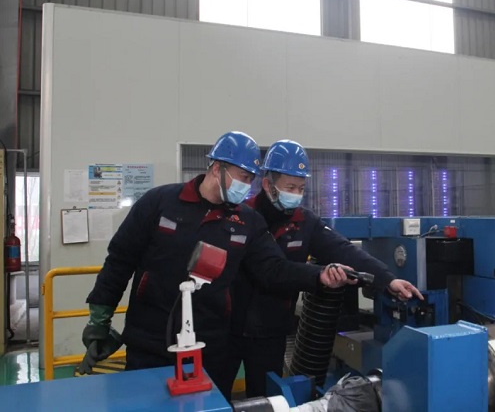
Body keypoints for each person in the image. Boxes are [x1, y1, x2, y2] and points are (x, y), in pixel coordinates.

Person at [79, 131, 355, 399]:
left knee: (209, 406)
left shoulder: (247, 222)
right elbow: (119, 261)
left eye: (251, 179)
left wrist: (319, 276)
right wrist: (99, 321)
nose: (247, 185)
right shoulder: (159, 203)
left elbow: (273, 268)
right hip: (148, 342)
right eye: (243, 177)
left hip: (209, 347)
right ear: (216, 168)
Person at [225, 139, 424, 399]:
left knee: (266, 400)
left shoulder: (304, 222)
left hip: (270, 333)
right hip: (226, 329)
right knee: (214, 397)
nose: (296, 194)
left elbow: (344, 250)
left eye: (300, 188)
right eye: (290, 187)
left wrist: (387, 280)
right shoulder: (241, 216)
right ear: (267, 185)